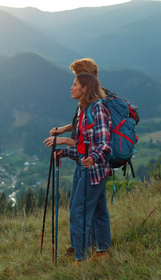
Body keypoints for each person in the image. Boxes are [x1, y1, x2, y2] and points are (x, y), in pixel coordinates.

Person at [43, 58, 104, 259]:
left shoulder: (94, 107)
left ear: (86, 83)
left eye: (76, 80)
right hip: (85, 163)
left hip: (91, 165)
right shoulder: (85, 105)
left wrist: (64, 142)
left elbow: (89, 142)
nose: (72, 84)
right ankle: (96, 248)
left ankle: (82, 251)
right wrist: (64, 134)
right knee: (94, 209)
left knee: (81, 209)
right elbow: (79, 129)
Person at [54, 72, 112, 264]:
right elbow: (82, 146)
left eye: (75, 84)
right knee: (98, 211)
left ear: (85, 88)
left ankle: (80, 259)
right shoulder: (83, 110)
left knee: (78, 211)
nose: (71, 87)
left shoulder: (98, 109)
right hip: (87, 169)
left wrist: (92, 158)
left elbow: (104, 144)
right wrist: (65, 152)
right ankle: (102, 251)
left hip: (94, 171)